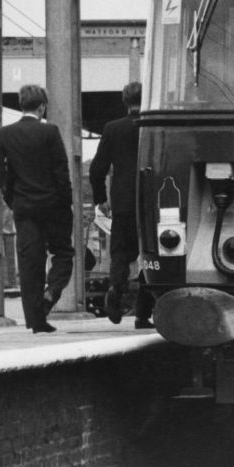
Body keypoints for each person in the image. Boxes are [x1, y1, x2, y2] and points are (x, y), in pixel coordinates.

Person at [0, 85, 74, 333]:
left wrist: (12, 199)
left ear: (22, 104)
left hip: (24, 207)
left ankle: (35, 320)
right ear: (42, 106)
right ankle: (51, 293)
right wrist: (66, 202)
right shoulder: (50, 132)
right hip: (53, 206)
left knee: (31, 262)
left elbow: (1, 172)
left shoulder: (6, 134)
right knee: (63, 253)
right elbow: (61, 171)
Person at [89, 81, 153, 328]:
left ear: (125, 102)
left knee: (120, 253)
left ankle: (116, 287)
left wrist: (100, 198)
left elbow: (97, 169)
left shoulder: (112, 128)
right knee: (150, 255)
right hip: (151, 200)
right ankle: (142, 314)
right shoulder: (152, 126)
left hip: (123, 200)